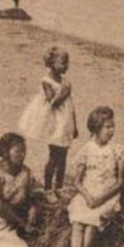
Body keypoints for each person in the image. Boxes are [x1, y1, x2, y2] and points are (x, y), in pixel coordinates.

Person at [60, 107, 124, 247]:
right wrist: (88, 196)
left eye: (113, 126)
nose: (112, 131)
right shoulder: (86, 150)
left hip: (107, 194)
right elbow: (77, 181)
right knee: (78, 222)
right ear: (96, 128)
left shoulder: (117, 150)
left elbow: (120, 182)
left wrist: (101, 198)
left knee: (92, 223)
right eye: (108, 127)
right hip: (88, 193)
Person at [17, 46, 78, 193]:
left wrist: (75, 125)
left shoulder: (65, 82)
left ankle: (59, 186)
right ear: (52, 63)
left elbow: (71, 105)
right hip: (54, 123)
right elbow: (53, 102)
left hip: (65, 122)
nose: (66, 66)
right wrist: (64, 92)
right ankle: (48, 187)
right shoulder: (47, 81)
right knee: (53, 156)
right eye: (63, 63)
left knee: (63, 156)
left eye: (67, 63)